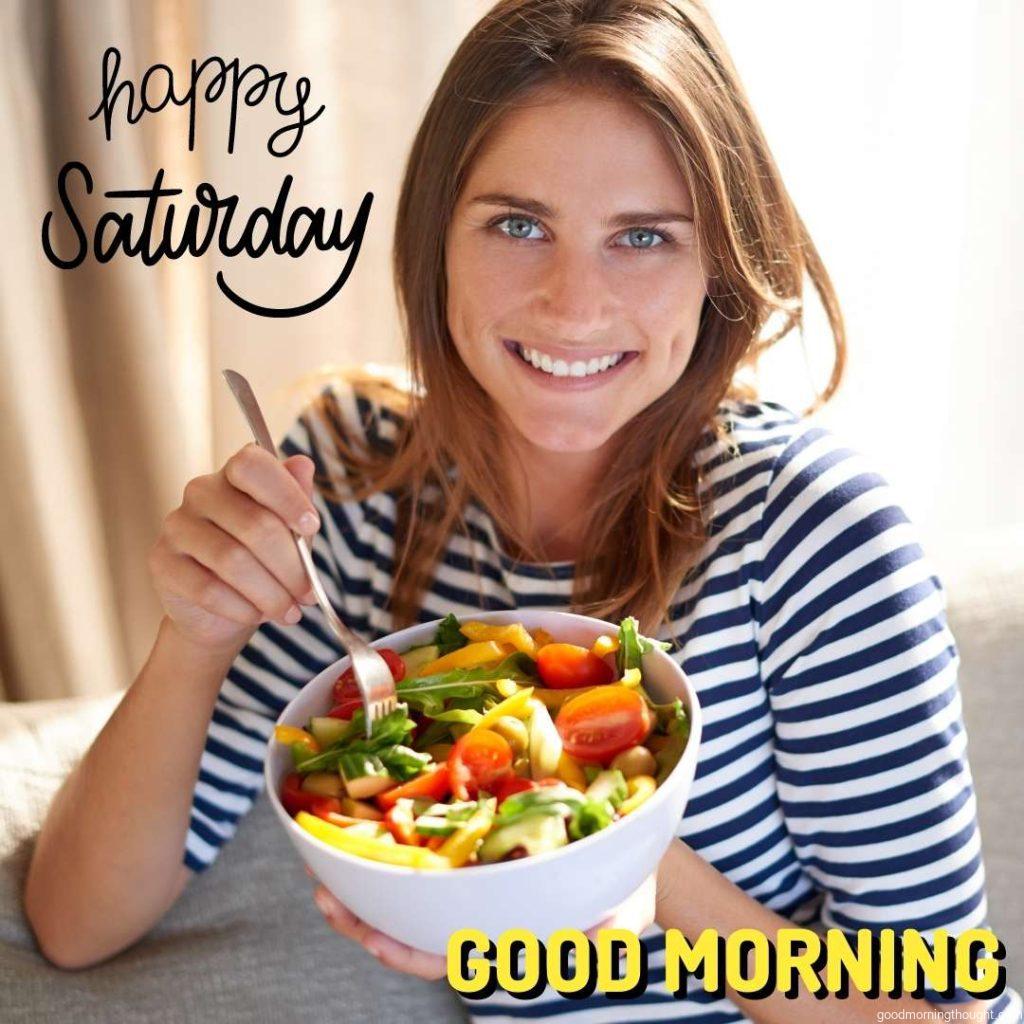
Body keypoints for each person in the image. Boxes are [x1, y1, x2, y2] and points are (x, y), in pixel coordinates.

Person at [24, 1, 1019, 1021]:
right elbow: (74, 920)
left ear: (717, 262)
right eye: (518, 223)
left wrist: (613, 852)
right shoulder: (357, 482)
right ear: (434, 239)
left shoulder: (818, 535)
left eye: (641, 236)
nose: (572, 303)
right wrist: (193, 638)